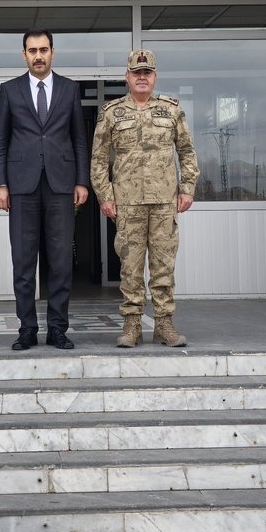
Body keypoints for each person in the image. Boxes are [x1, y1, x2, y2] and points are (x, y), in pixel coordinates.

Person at [90, 49, 199, 348]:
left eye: (147, 73)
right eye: (136, 73)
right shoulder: (112, 113)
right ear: (127, 77)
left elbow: (187, 152)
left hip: (164, 202)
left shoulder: (171, 110)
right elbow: (98, 159)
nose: (142, 77)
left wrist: (187, 188)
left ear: (154, 77)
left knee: (164, 266)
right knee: (130, 268)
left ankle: (164, 324)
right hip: (127, 204)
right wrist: (105, 196)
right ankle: (132, 325)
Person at [0, 30, 90, 351]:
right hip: (21, 187)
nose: (38, 55)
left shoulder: (69, 89)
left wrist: (81, 181)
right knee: (23, 261)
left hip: (61, 185)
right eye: (32, 50)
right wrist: (1, 184)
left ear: (52, 53)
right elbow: (1, 141)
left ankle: (58, 329)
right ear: (24, 54)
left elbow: (78, 139)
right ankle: (27, 329)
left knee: (60, 262)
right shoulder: (10, 90)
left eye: (43, 49)